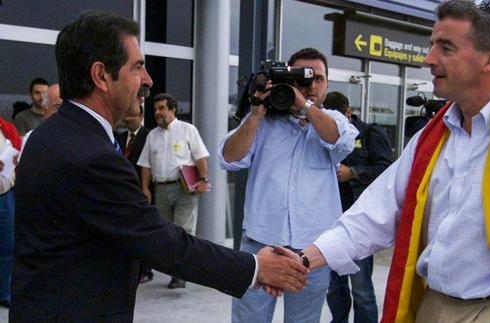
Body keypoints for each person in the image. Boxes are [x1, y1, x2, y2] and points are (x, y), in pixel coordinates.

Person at [11, 11, 308, 323]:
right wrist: (256, 267)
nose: (148, 80)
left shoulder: (45, 137)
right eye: (138, 67)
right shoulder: (91, 157)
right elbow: (165, 245)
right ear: (101, 75)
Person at [288, 0, 490, 322]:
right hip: (431, 306)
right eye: (431, 44)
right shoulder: (434, 135)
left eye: (446, 47)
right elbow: (375, 212)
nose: (429, 59)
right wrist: (306, 257)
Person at [219, 47, 358, 323]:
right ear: (287, 80)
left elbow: (341, 142)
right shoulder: (263, 121)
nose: (311, 85)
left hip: (312, 250)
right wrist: (256, 113)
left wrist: (304, 106)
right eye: (303, 78)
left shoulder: (334, 120)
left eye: (318, 78)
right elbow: (228, 158)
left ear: (328, 83)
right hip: (260, 243)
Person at [323, 91, 393, 323]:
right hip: (329, 221)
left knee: (361, 288)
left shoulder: (371, 133)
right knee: (334, 286)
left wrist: (352, 173)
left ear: (348, 114)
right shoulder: (321, 134)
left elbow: (386, 170)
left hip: (359, 221)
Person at [138, 92, 210, 289]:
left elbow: (201, 157)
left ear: (173, 109)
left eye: (162, 108)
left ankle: (181, 274)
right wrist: (145, 188)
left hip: (184, 189)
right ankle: (177, 270)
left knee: (182, 231)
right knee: (166, 233)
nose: (157, 113)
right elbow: (145, 165)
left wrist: (203, 179)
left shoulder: (188, 130)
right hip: (161, 190)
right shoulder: (152, 135)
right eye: (155, 109)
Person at [115, 104, 153, 284]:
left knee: (144, 230)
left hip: (143, 191)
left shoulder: (149, 136)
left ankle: (146, 269)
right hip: (122, 193)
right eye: (126, 115)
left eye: (133, 115)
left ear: (141, 115)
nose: (129, 119)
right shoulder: (118, 138)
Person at [0, 117, 21, 309]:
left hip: (5, 196)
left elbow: (17, 148)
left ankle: (4, 292)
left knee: (7, 247)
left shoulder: (5, 127)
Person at [20, 83, 62, 151]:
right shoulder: (32, 137)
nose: (63, 111)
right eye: (57, 107)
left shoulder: (78, 134)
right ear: (45, 109)